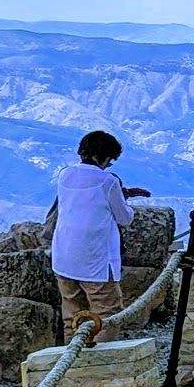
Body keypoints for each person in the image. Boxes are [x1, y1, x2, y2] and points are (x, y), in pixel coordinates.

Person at [49, 130, 150, 342]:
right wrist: (127, 202)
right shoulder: (108, 181)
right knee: (107, 315)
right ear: (101, 157)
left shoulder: (65, 174)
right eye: (110, 160)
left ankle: (73, 361)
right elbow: (124, 218)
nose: (109, 165)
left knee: (72, 317)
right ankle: (101, 364)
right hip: (95, 260)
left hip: (64, 257)